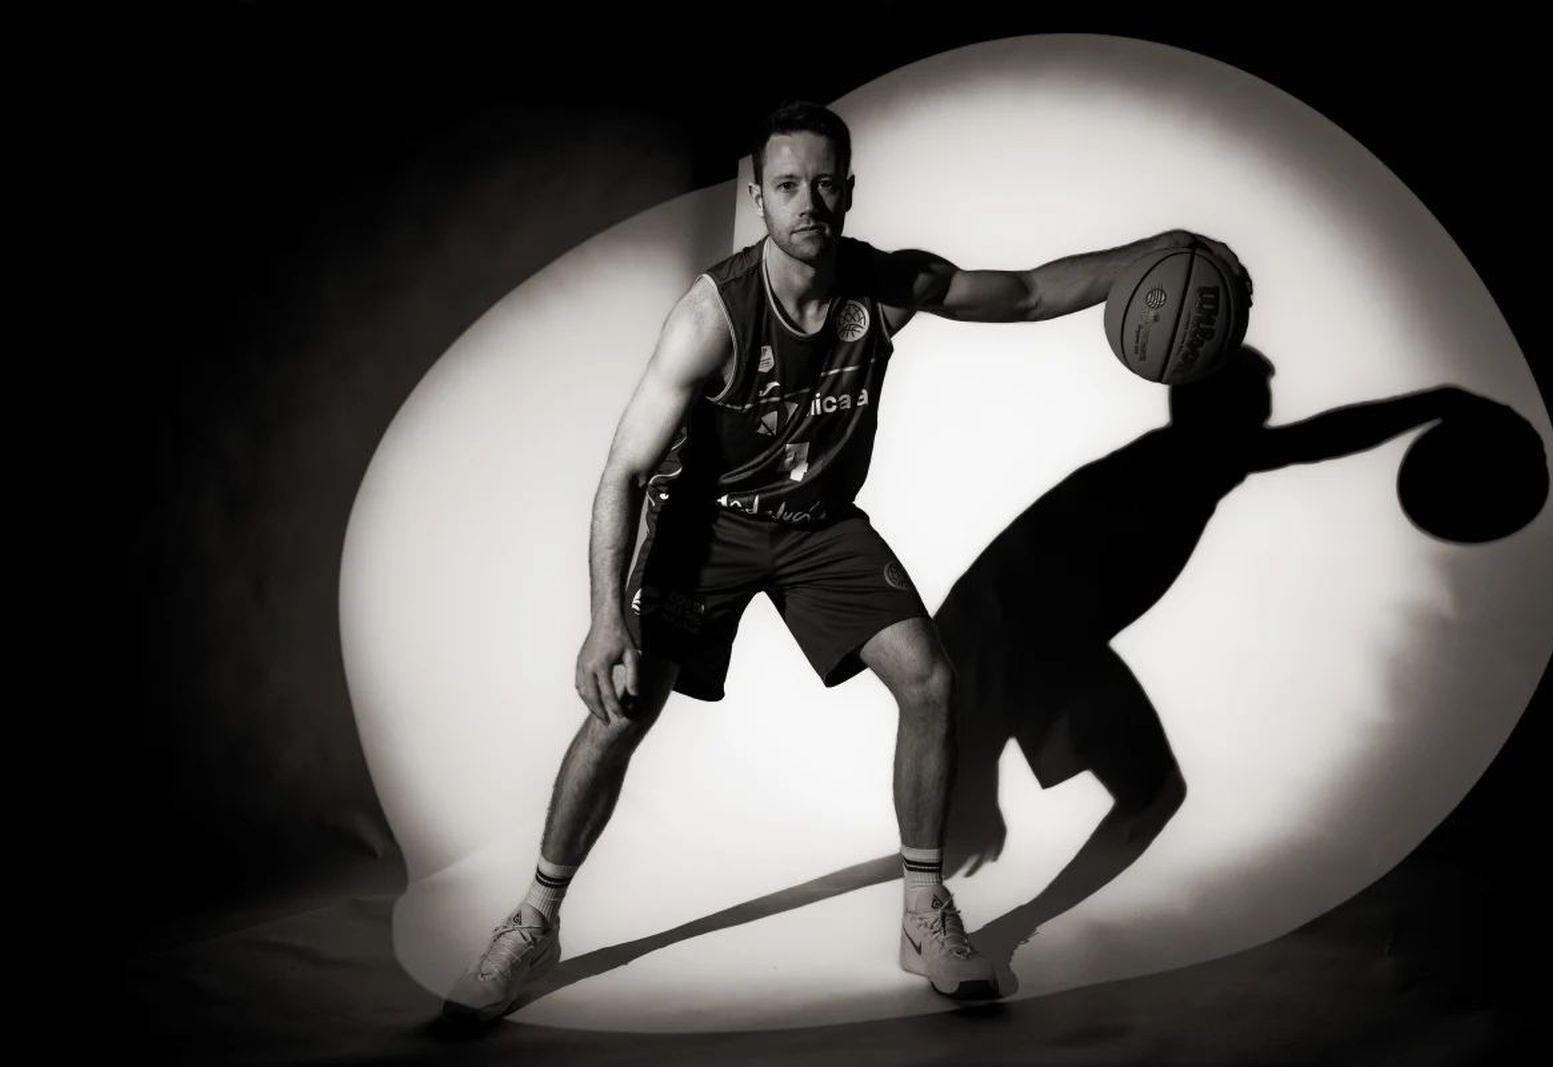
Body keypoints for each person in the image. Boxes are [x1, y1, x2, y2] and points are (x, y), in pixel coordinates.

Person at [443, 100, 1246, 1022]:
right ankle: (535, 919)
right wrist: (603, 617)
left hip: (821, 525)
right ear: (757, 197)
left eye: (825, 184)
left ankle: (921, 913)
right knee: (622, 709)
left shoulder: (884, 287)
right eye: (787, 185)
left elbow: (1022, 292)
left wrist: (1152, 252)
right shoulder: (712, 316)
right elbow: (622, 469)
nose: (808, 203)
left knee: (931, 680)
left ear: (850, 191)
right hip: (712, 526)